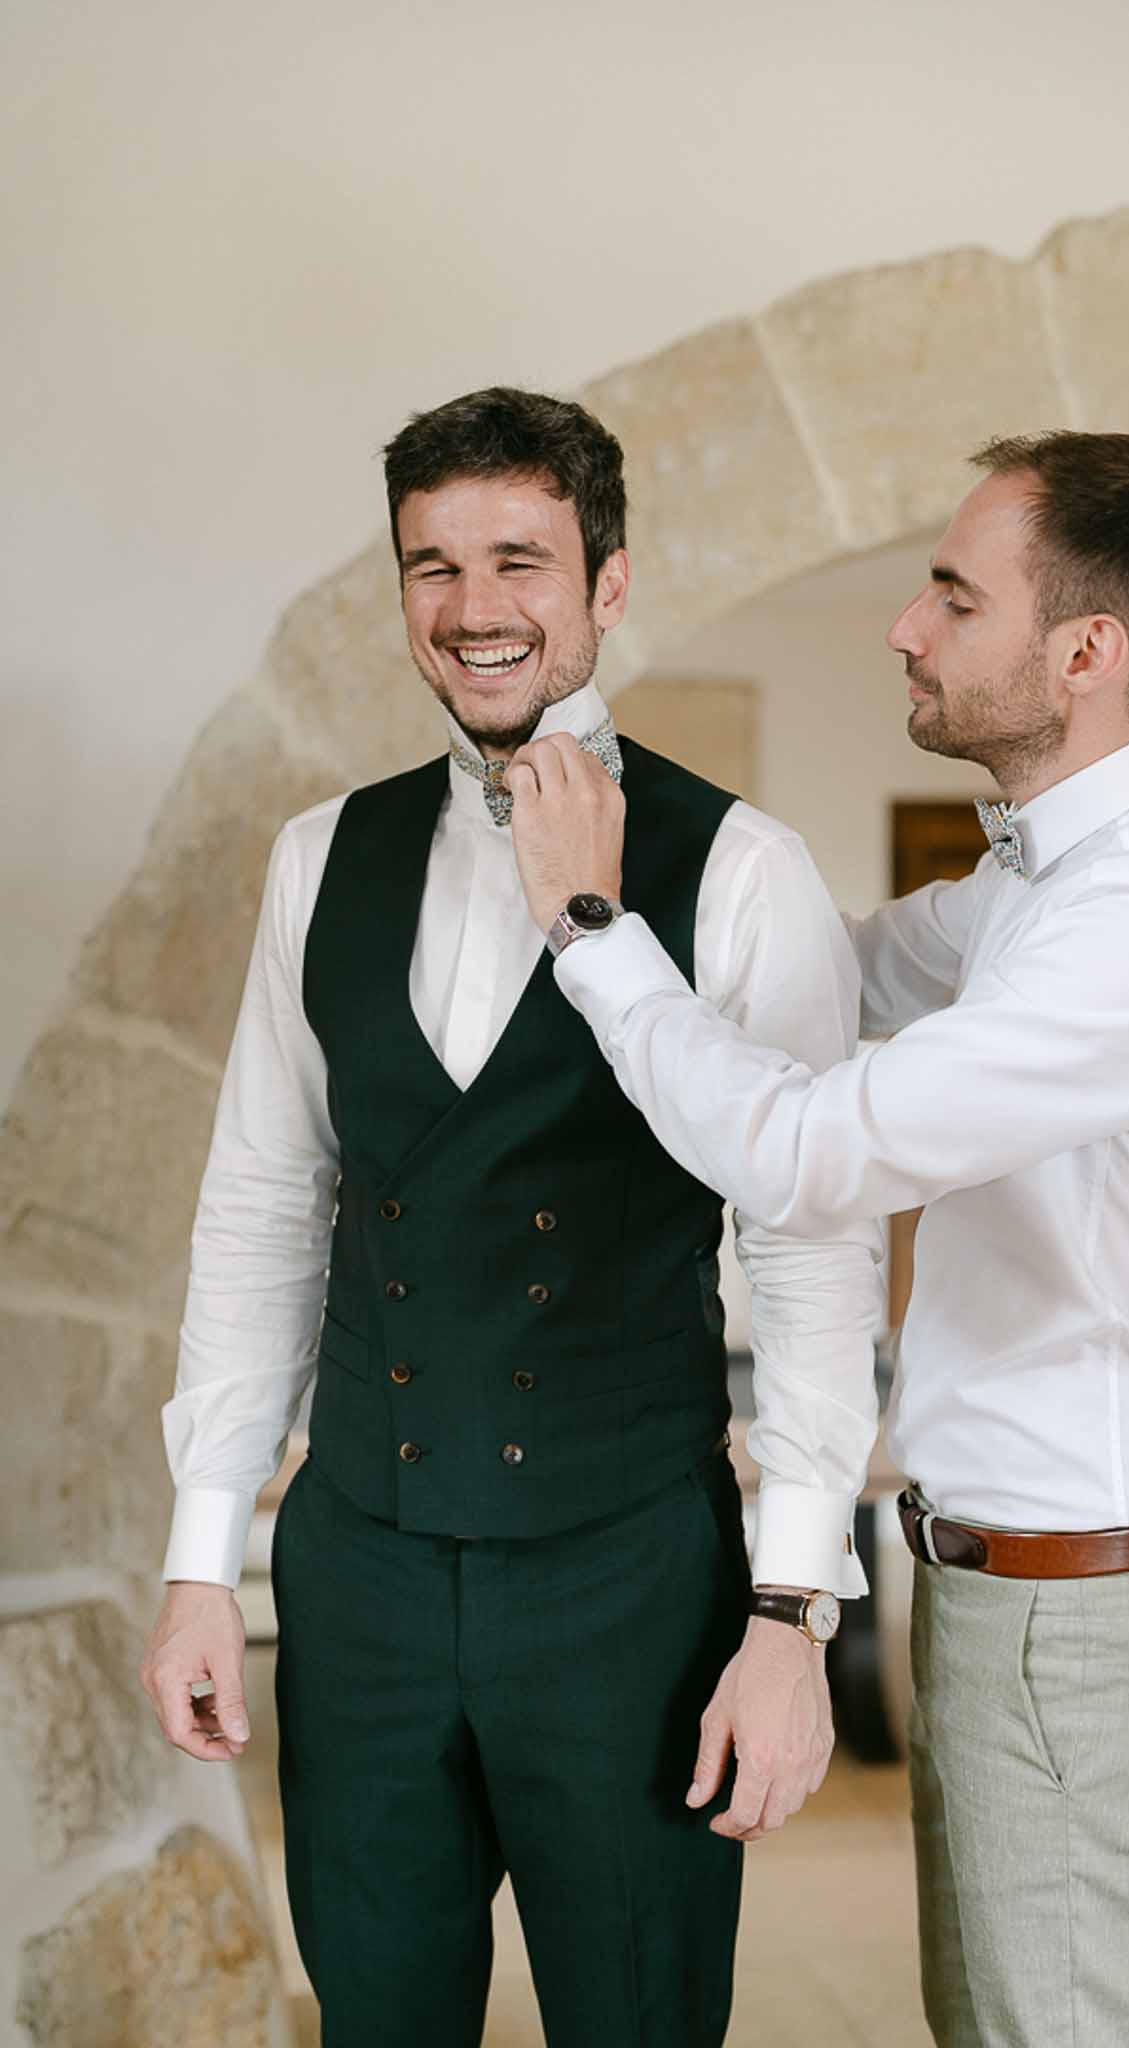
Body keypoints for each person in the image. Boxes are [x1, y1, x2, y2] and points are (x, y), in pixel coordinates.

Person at [506, 430, 1129, 2048]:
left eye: (952, 593)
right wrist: (689, 873)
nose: (904, 628)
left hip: (1078, 1616)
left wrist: (589, 928)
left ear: (1084, 652)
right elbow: (828, 970)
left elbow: (806, 1156)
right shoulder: (1040, 882)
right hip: (1015, 1598)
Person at [138, 387, 884, 2047]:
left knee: (636, 2016)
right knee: (377, 2017)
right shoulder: (316, 856)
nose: (476, 610)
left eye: (521, 562)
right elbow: (261, 1207)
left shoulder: (743, 867)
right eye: (433, 567)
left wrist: (788, 1616)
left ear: (606, 585)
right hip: (364, 1581)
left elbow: (812, 1248)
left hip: (628, 1582)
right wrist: (203, 1557)